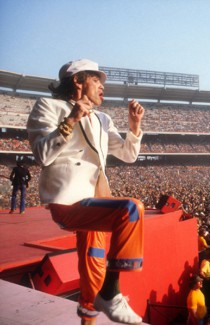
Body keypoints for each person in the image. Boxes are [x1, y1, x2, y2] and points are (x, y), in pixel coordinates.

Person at [27, 59, 145, 325]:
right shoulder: (48, 106)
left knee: (93, 271)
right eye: (97, 81)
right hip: (68, 201)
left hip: (95, 202)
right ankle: (112, 293)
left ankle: (92, 312)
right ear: (78, 81)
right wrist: (71, 119)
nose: (103, 87)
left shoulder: (103, 119)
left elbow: (128, 155)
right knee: (130, 209)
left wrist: (134, 125)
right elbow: (42, 155)